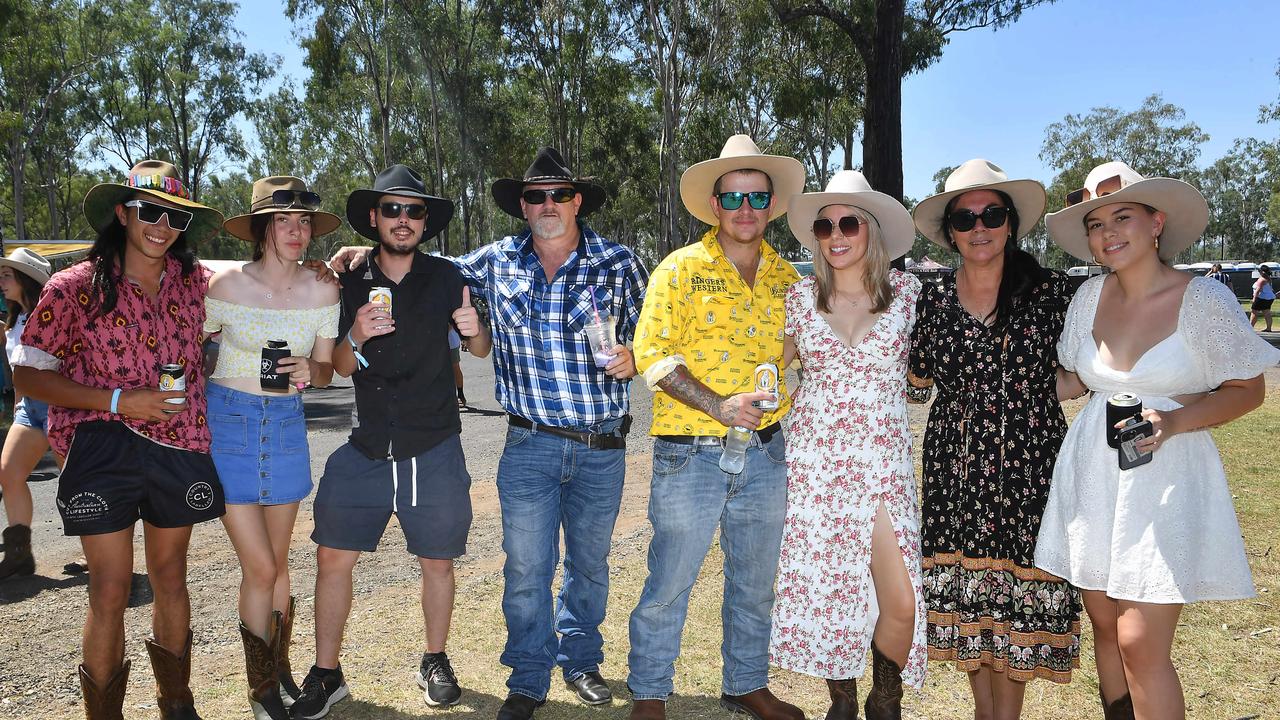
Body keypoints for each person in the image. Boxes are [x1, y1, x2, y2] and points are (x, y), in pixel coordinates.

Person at [1036, 161, 1280, 720]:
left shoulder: (1204, 301)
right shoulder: (1087, 300)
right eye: (1096, 224)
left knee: (1141, 641)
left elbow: (1248, 389)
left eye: (1123, 216)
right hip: (1092, 476)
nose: (1108, 232)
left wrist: (1172, 423)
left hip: (1167, 478)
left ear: (1156, 223)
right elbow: (1076, 380)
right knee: (1103, 621)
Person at [12, 160, 226, 719]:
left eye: (176, 216)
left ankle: (177, 705)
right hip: (100, 447)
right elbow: (28, 375)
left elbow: (258, 284)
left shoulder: (195, 281)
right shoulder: (74, 286)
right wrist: (117, 400)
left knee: (170, 578)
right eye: (151, 211)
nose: (163, 225)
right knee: (108, 590)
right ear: (122, 213)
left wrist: (336, 266)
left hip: (179, 443)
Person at [290, 164, 490, 720]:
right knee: (333, 558)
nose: (404, 220)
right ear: (374, 218)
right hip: (369, 444)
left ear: (426, 221)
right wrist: (354, 334)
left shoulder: (449, 277)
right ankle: (327, 673)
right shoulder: (346, 281)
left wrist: (475, 330)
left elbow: (478, 353)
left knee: (438, 563)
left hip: (434, 445)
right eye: (393, 209)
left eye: (415, 211)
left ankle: (435, 659)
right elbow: (336, 366)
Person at [627, 135, 806, 720]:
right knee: (671, 581)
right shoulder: (679, 270)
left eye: (756, 196)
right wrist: (719, 405)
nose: (745, 209)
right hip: (690, 454)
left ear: (772, 204)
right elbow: (651, 355)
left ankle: (745, 683)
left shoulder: (790, 280)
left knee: (755, 583)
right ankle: (650, 694)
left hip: (766, 456)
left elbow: (799, 358)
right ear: (714, 207)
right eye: (732, 199)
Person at [907, 159, 1082, 720]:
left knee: (1016, 599)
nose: (979, 226)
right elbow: (914, 384)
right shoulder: (929, 300)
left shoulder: (1053, 293)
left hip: (1030, 466)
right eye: (965, 218)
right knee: (973, 598)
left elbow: (1091, 366)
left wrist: (1045, 392)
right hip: (954, 471)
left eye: (991, 214)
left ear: (1011, 224)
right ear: (950, 231)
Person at [770, 171, 927, 720]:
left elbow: (934, 365)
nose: (835, 234)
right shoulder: (797, 298)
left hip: (884, 462)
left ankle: (886, 700)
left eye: (848, 222)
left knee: (901, 601)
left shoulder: (909, 295)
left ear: (871, 230)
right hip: (817, 463)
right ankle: (843, 699)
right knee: (834, 588)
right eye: (824, 225)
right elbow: (769, 367)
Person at [206, 176, 342, 718]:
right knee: (260, 569)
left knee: (280, 564)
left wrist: (314, 368)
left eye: (303, 221)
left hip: (286, 425)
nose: (296, 231)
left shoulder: (323, 290)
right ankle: (260, 687)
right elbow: (186, 347)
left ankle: (280, 670)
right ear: (262, 228)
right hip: (230, 425)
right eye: (283, 220)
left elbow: (328, 371)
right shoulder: (223, 286)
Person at [0, 248, 53, 580]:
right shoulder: (15, 319)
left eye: (7, 275)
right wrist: (20, 405)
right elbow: (19, 371)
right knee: (8, 473)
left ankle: (99, 553)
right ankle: (20, 556)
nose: (1, 282)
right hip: (29, 410)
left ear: (25, 279)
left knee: (80, 483)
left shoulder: (53, 314)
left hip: (62, 408)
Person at [1250, 265, 1274, 331]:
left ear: (1262, 272)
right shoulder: (1268, 278)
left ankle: (1250, 328)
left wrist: (1254, 299)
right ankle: (1269, 328)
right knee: (1267, 312)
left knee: (1254, 312)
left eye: (1259, 271)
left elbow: (1258, 290)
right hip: (1269, 298)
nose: (1259, 272)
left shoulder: (1262, 279)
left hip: (1261, 298)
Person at [448, 328, 466, 406]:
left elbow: (451, 325)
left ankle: (460, 395)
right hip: (437, 343)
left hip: (451, 342)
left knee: (455, 367)